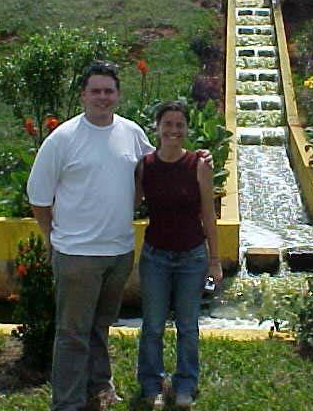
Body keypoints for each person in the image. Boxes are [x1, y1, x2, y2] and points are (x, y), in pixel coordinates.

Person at [27, 61, 156, 411]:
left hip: (118, 252)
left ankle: (100, 388)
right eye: (95, 90)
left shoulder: (131, 132)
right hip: (77, 256)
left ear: (118, 95)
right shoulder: (63, 139)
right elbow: (39, 196)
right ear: (83, 95)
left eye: (109, 91)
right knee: (72, 334)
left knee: (100, 326)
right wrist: (51, 237)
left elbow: (152, 169)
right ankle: (67, 403)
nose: (102, 97)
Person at [136, 101, 223, 410]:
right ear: (157, 128)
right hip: (155, 257)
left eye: (179, 125)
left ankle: (185, 384)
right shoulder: (145, 166)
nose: (174, 130)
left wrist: (215, 260)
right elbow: (129, 202)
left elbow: (209, 216)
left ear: (187, 129)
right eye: (168, 124)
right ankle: (151, 384)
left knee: (188, 325)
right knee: (153, 325)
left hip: (192, 257)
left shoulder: (198, 165)